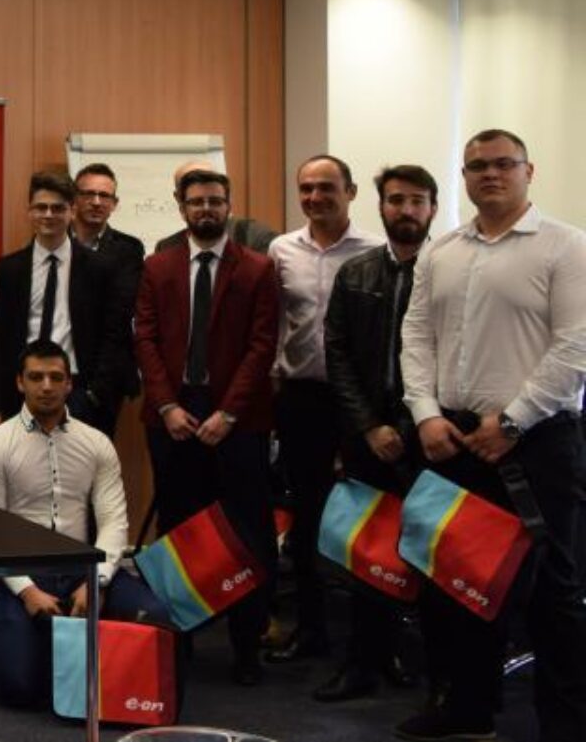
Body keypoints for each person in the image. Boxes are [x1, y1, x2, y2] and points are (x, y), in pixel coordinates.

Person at [398, 130, 586, 741]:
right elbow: (416, 337)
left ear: (530, 171)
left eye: (504, 164)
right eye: (477, 165)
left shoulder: (566, 246)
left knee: (551, 590)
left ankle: (564, 724)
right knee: (455, 583)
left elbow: (575, 347)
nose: (490, 174)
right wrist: (425, 413)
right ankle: (468, 711)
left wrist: (511, 422)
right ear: (464, 176)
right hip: (453, 439)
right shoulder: (443, 251)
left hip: (538, 441)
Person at [133, 168, 279, 686]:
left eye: (216, 201)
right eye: (196, 202)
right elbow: (145, 340)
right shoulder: (157, 267)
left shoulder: (258, 268)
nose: (206, 209)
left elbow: (263, 345)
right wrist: (167, 406)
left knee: (246, 533)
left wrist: (230, 413)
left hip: (237, 420)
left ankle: (247, 646)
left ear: (228, 205)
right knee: (179, 532)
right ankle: (182, 641)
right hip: (173, 418)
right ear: (181, 207)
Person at [0, 341, 170, 709]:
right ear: (20, 383)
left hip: (85, 569)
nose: (46, 386)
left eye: (55, 377)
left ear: (69, 384)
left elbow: (114, 522)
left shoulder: (96, 443)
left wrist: (97, 582)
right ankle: (57, 658)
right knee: (15, 687)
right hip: (21, 573)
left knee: (156, 617)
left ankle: (72, 660)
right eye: (36, 377)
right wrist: (27, 592)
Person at [315, 165, 437, 702]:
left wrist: (409, 427)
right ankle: (361, 662)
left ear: (433, 208)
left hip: (428, 438)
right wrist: (368, 426)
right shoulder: (356, 273)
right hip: (365, 437)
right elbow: (336, 354)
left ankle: (418, 664)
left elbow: (453, 356)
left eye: (416, 200)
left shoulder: (447, 270)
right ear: (381, 206)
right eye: (396, 200)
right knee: (365, 554)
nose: (406, 210)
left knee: (425, 553)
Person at [263, 155, 380, 665]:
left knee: (369, 520)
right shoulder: (281, 249)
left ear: (350, 192)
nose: (315, 197)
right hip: (302, 398)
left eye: (326, 187)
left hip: (361, 403)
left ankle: (374, 644)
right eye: (306, 188)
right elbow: (274, 321)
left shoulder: (374, 251)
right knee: (308, 516)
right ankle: (312, 631)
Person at [0, 171, 128, 433]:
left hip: (80, 392)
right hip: (23, 391)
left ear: (72, 211)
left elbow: (115, 335)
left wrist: (95, 394)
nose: (48, 215)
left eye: (58, 208)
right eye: (41, 207)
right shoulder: (8, 269)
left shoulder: (101, 268)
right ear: (30, 211)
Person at [69, 163, 146, 429]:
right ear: (74, 199)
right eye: (88, 194)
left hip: (104, 382)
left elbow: (120, 317)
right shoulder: (55, 243)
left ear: (114, 203)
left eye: (104, 196)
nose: (96, 202)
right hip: (58, 374)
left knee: (97, 454)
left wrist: (97, 390)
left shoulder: (128, 249)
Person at [156, 160, 277, 254]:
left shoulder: (255, 237)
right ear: (178, 198)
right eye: (197, 200)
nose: (206, 207)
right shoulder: (167, 247)